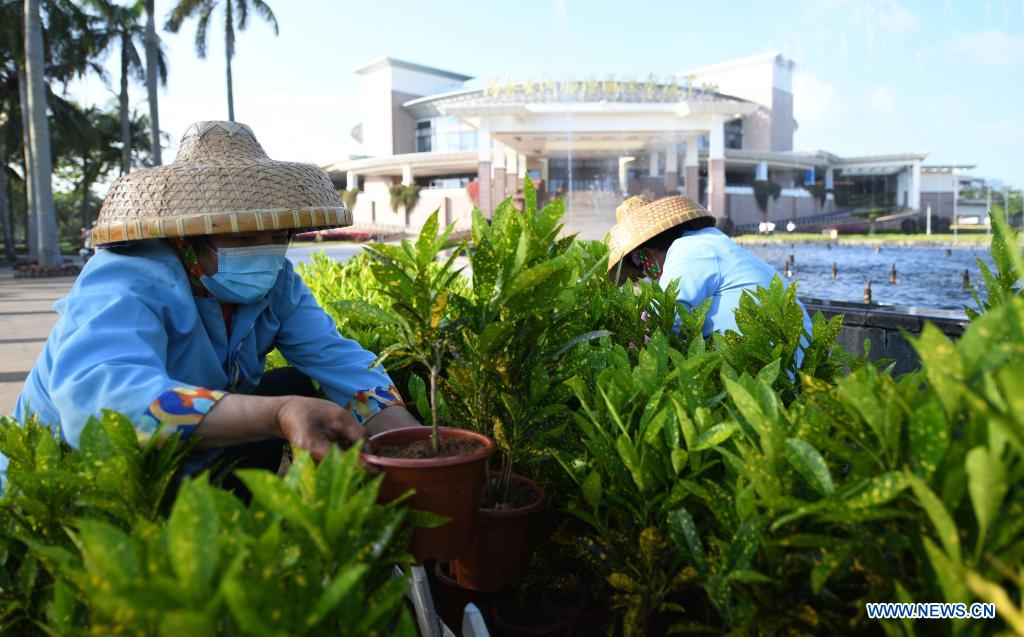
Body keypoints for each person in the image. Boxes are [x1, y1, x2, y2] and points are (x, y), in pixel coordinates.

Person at [6, 121, 419, 491]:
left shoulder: (278, 284)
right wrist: (277, 414)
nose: (266, 253)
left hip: (178, 459)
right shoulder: (126, 279)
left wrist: (412, 445)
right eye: (242, 240)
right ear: (187, 238)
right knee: (281, 403)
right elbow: (104, 404)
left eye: (279, 237)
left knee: (289, 386)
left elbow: (338, 360)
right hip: (76, 484)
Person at [607, 194, 812, 343]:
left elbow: (666, 321)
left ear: (647, 251)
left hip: (776, 371)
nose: (645, 271)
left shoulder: (688, 249)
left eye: (639, 261)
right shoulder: (708, 241)